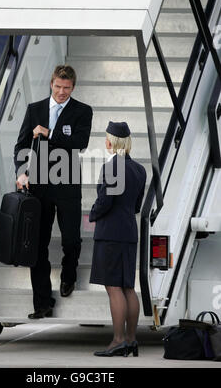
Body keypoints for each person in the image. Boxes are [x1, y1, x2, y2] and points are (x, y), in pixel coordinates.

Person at [14, 65, 93, 319]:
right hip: (39, 185)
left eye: (66, 88)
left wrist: (49, 134)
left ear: (73, 87)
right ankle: (42, 303)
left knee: (71, 239)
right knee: (38, 244)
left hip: (68, 183)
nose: (61, 92)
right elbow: (22, 146)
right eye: (58, 87)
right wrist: (21, 172)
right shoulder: (34, 109)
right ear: (51, 84)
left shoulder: (82, 111)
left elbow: (80, 143)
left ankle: (69, 275)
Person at [89, 121, 146, 357]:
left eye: (106, 138)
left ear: (112, 141)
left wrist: (93, 213)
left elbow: (105, 201)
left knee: (113, 288)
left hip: (110, 233)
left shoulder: (112, 167)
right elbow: (136, 205)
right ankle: (131, 340)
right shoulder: (140, 170)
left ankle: (117, 340)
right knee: (128, 287)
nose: (105, 142)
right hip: (129, 232)